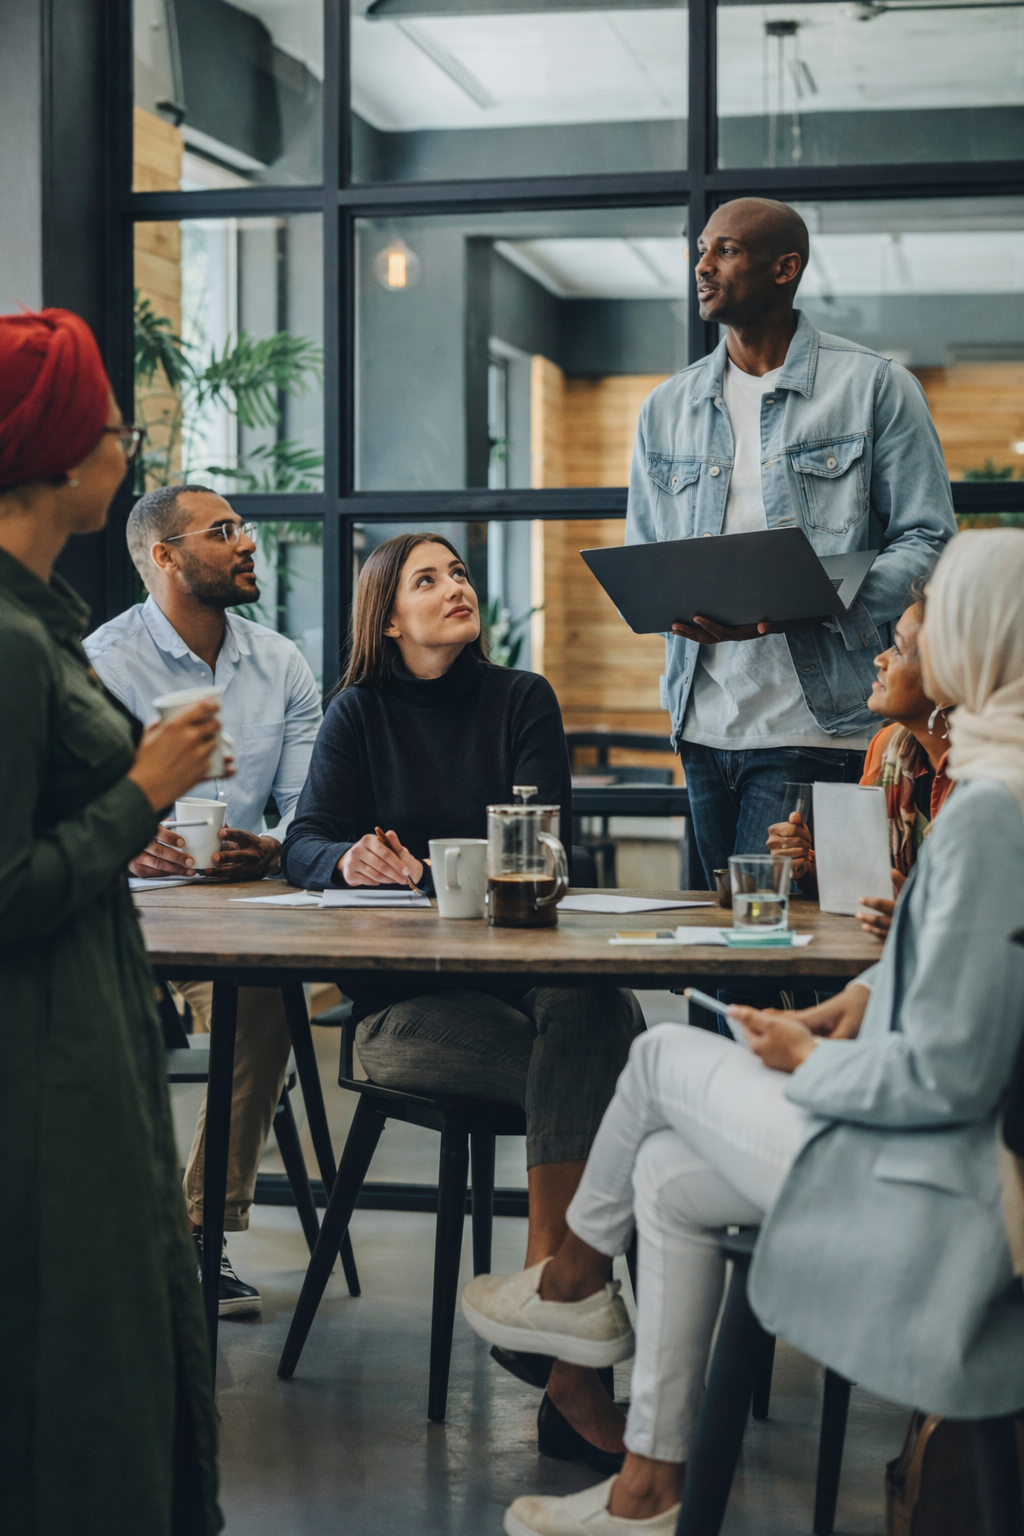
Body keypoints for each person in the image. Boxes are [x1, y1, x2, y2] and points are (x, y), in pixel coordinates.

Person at [463, 529, 1024, 1536]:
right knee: (671, 1178)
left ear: (985, 637)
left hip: (928, 1176)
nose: (901, 630)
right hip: (930, 1157)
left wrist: (804, 1058)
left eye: (931, 610)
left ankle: (574, 1281)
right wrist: (838, 1011)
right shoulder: (995, 789)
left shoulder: (989, 816)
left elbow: (948, 1075)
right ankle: (647, 1491)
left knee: (660, 1054)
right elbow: (950, 987)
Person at [282, 531, 645, 1470]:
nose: (456, 589)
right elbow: (304, 843)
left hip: (525, 991)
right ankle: (565, 1335)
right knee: (620, 1064)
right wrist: (346, 859)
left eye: (459, 574)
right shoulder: (358, 712)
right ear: (387, 615)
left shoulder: (521, 699)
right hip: (405, 1013)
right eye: (427, 579)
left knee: (593, 1009)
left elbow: (543, 844)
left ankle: (554, 1308)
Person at [0, 309, 222, 1533]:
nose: (123, 446)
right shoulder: (8, 641)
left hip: (85, 1038)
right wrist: (146, 789)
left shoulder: (41, 615)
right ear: (55, 452)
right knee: (82, 1359)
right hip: (44, 1063)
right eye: (107, 423)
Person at [625, 197, 956, 888]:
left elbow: (929, 537)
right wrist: (671, 605)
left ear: (786, 267)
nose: (702, 266)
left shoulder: (873, 388)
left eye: (725, 251)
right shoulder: (666, 408)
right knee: (726, 940)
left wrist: (825, 596)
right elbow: (647, 546)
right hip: (702, 724)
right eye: (701, 251)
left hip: (818, 723)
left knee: (773, 942)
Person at [84, 484, 323, 1317]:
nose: (245, 543)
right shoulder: (103, 665)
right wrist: (124, 833)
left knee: (267, 994)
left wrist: (270, 846)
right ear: (165, 555)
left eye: (242, 528)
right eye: (222, 532)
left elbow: (308, 813)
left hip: (245, 905)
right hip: (130, 914)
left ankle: (197, 1237)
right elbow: (72, 813)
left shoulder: (282, 663)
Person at [768, 571, 955, 940]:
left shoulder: (993, 775)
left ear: (946, 679)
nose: (879, 659)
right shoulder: (888, 749)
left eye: (898, 649)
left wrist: (915, 915)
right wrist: (807, 863)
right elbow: (867, 878)